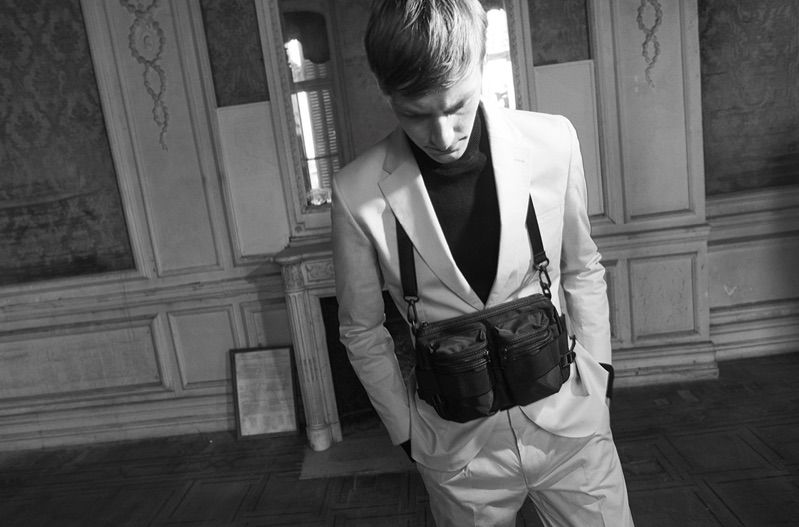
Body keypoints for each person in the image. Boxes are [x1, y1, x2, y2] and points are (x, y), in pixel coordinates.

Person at [331, 0, 634, 525]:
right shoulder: (356, 191)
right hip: (457, 452)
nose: (442, 136)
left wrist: (599, 377)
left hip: (572, 426)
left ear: (481, 64)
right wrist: (407, 434)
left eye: (457, 106)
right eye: (414, 114)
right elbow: (361, 329)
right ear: (386, 92)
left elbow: (582, 268)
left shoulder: (552, 142)